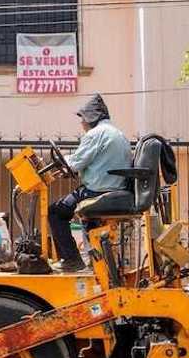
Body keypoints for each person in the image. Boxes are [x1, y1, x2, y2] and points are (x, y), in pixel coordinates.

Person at [49, 94, 131, 272]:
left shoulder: (95, 134)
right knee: (87, 216)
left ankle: (71, 260)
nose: (82, 123)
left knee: (56, 211)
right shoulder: (118, 133)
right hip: (115, 189)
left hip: (98, 191)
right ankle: (96, 264)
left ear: (92, 118)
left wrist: (63, 162)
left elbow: (76, 162)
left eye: (83, 119)